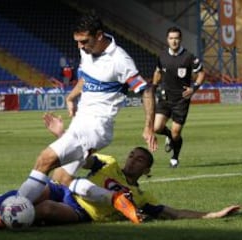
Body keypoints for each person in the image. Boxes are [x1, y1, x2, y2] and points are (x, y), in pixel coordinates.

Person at [0, 114, 240, 228]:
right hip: (68, 190)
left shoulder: (141, 196)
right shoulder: (110, 163)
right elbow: (80, 155)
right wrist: (63, 133)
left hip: (82, 212)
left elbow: (173, 213)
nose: (133, 159)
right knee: (39, 191)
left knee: (43, 210)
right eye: (133, 154)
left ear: (148, 171)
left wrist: (212, 214)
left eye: (141, 159)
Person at [16, 12, 158, 224]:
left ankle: (14, 210)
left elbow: (145, 91)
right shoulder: (88, 51)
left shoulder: (120, 60)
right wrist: (72, 97)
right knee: (61, 178)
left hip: (95, 127)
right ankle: (115, 198)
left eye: (84, 41)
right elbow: (87, 78)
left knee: (44, 160)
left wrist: (149, 127)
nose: (80, 46)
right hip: (81, 121)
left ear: (99, 36)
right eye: (78, 42)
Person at [152, 26, 205, 168]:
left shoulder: (189, 57)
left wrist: (194, 88)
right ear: (167, 40)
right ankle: (168, 137)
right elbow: (157, 72)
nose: (174, 41)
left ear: (180, 39)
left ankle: (174, 158)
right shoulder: (162, 56)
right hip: (165, 97)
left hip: (181, 99)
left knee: (176, 133)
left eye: (176, 38)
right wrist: (153, 87)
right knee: (156, 128)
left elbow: (201, 73)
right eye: (171, 38)